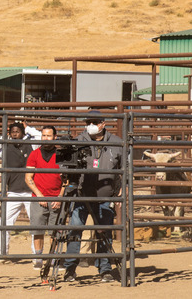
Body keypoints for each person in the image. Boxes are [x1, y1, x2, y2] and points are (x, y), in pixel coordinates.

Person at [63, 111, 123, 283]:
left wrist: (122, 187)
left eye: (94, 122)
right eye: (88, 122)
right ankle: (69, 269)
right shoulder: (78, 141)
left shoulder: (116, 143)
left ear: (103, 124)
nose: (91, 125)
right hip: (82, 194)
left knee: (104, 232)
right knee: (75, 230)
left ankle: (105, 269)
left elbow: (124, 167)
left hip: (105, 195)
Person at [0, 122, 35, 265]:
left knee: (35, 224)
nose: (14, 134)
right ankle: (2, 255)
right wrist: (2, 139)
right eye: (12, 132)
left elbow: (39, 137)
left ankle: (36, 256)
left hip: (30, 191)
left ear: (23, 133)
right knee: (4, 223)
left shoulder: (32, 144)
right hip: (13, 191)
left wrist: (29, 130)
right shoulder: (6, 146)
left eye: (17, 131)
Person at [24, 125, 64, 271]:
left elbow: (66, 179)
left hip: (56, 198)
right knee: (38, 230)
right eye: (44, 136)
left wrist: (60, 197)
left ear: (55, 137)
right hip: (39, 197)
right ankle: (39, 258)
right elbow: (28, 178)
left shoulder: (61, 154)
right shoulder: (34, 154)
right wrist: (39, 195)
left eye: (49, 136)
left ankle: (53, 259)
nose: (46, 138)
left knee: (56, 231)